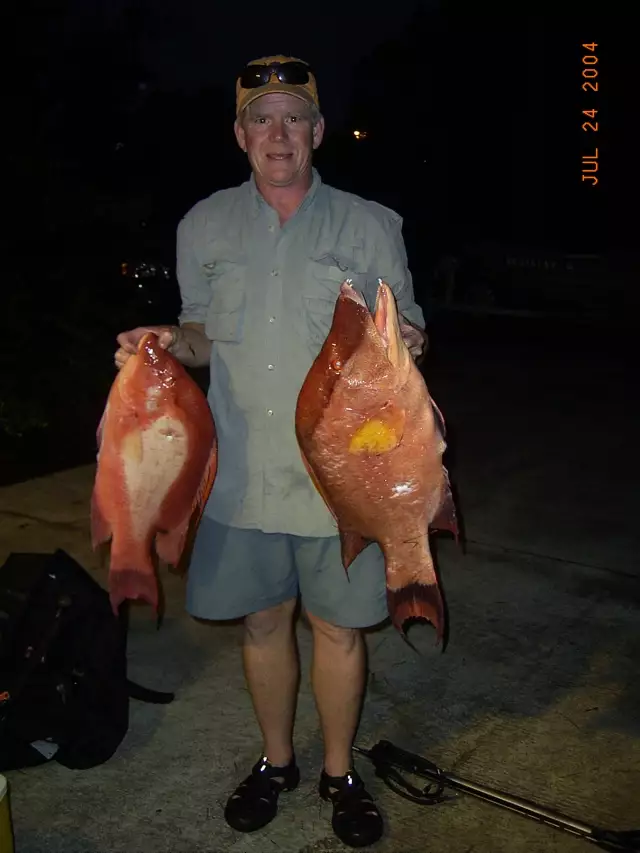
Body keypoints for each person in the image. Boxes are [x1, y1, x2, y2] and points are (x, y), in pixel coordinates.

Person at [115, 55, 427, 848]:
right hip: (244, 474)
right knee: (262, 624)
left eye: (294, 117)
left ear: (319, 132)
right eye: (262, 117)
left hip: (341, 479)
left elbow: (411, 333)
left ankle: (338, 771)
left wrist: (409, 341)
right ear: (239, 134)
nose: (278, 132)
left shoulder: (370, 223)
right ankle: (279, 761)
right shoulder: (203, 225)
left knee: (338, 628)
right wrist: (164, 342)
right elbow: (199, 334)